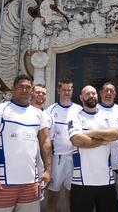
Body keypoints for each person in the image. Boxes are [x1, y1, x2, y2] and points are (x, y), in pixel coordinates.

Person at [0, 74, 52, 212]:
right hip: (3, 182)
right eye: (21, 87)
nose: (25, 90)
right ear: (13, 89)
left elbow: (45, 143)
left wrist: (48, 171)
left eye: (28, 88)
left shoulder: (39, 114)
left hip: (31, 182)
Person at [68, 85, 118, 212]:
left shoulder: (107, 116)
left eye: (93, 93)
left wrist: (90, 133)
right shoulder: (75, 116)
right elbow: (77, 140)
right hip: (82, 181)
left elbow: (117, 134)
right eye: (87, 94)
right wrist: (104, 138)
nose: (91, 96)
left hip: (106, 181)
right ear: (81, 97)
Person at [45, 80, 82, 212]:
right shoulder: (50, 110)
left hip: (75, 158)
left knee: (72, 196)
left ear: (72, 91)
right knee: (53, 197)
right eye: (64, 90)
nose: (66, 92)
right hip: (57, 159)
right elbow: (47, 140)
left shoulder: (79, 110)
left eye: (69, 90)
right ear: (58, 91)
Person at [97, 82, 118, 208]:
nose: (108, 93)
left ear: (115, 94)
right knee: (106, 202)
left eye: (111, 91)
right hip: (101, 164)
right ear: (100, 93)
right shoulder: (94, 110)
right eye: (106, 91)